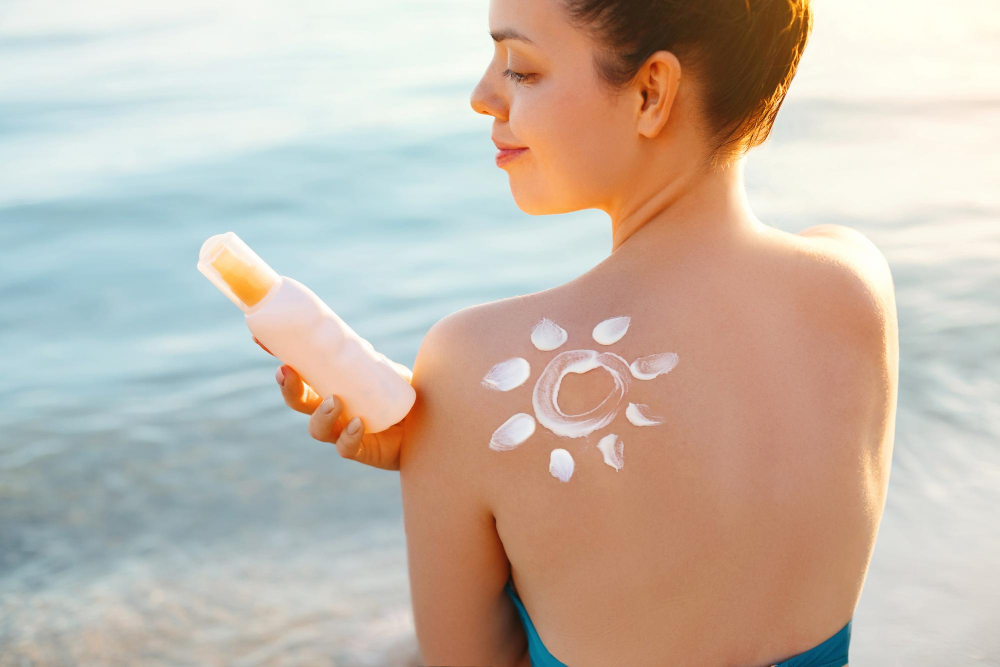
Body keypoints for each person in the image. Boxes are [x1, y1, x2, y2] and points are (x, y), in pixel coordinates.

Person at [259, 0, 899, 664]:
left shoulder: (471, 364)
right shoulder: (855, 284)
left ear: (651, 91)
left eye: (521, 69)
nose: (483, 97)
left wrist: (447, 433)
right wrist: (452, 430)